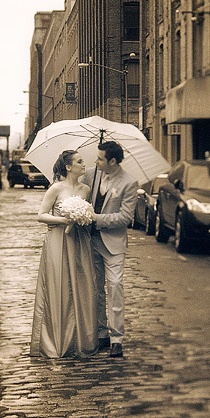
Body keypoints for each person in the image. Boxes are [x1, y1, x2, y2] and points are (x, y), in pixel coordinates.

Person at [30, 150, 98, 358]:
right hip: (58, 241)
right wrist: (63, 220)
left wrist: (84, 217)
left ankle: (81, 340)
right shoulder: (56, 188)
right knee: (58, 286)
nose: (83, 164)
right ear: (68, 167)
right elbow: (41, 215)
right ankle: (57, 340)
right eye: (79, 161)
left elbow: (90, 215)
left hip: (79, 241)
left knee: (82, 286)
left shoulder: (86, 189)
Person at [81, 140, 139, 358]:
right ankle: (101, 332)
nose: (95, 161)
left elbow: (125, 217)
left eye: (100, 158)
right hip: (91, 241)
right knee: (96, 289)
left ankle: (117, 339)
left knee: (115, 286)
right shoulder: (91, 174)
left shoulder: (129, 183)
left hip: (113, 245)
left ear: (112, 161)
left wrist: (97, 219)